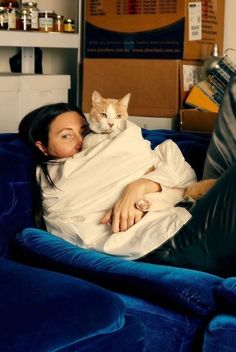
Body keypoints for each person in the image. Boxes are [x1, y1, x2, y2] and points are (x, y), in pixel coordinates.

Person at [18, 73, 236, 278]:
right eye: (66, 136)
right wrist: (150, 181)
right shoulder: (57, 180)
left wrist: (142, 185)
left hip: (185, 211)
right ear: (43, 147)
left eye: (83, 132)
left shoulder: (102, 150)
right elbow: (138, 153)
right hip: (172, 242)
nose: (79, 141)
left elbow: (183, 174)